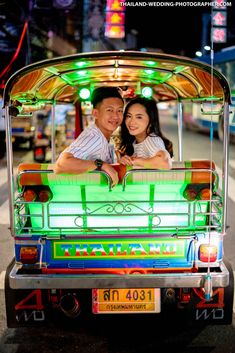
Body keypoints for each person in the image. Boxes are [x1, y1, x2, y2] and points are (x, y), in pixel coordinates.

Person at [55, 86, 124, 186]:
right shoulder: (95, 138)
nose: (116, 116)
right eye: (110, 110)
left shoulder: (102, 135)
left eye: (120, 111)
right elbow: (61, 165)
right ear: (95, 113)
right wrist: (101, 165)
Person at [118, 96, 173, 169]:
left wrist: (134, 161)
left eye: (139, 117)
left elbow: (165, 164)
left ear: (151, 121)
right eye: (129, 116)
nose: (131, 122)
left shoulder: (151, 140)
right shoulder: (135, 141)